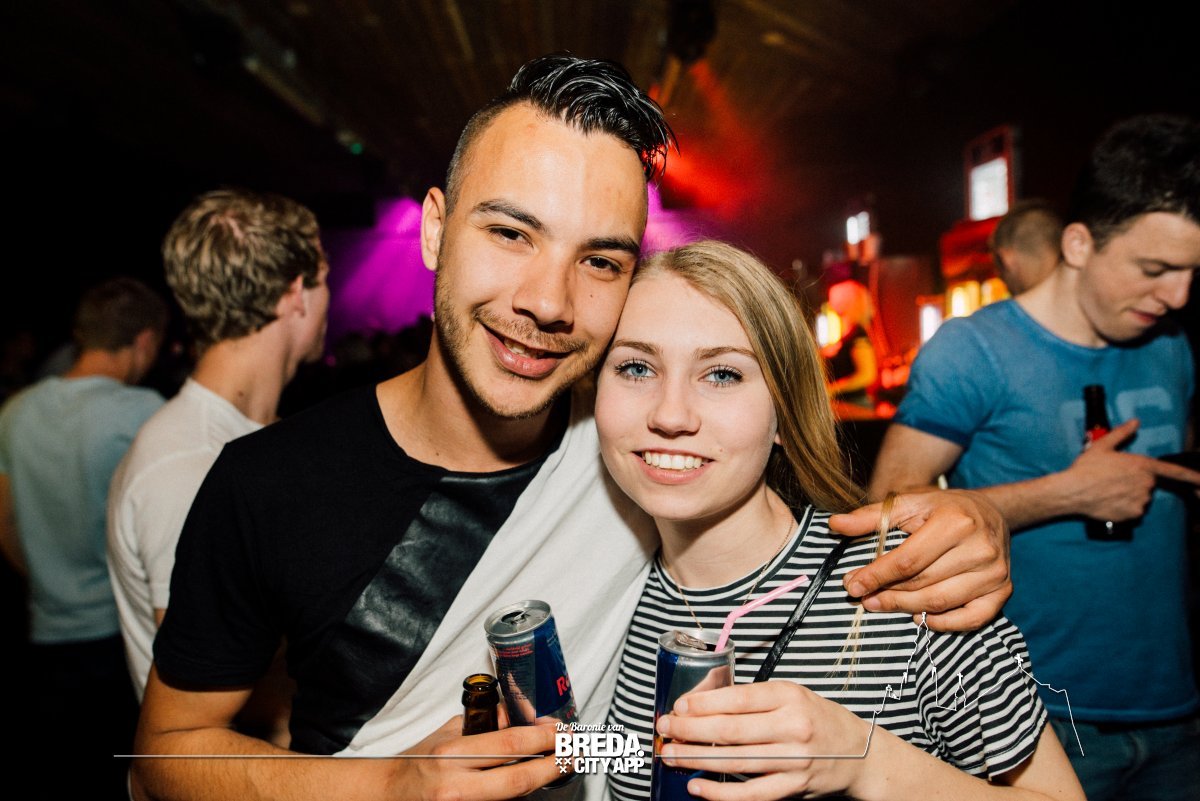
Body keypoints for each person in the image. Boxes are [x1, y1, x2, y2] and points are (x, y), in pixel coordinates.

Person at [135, 54, 1013, 801]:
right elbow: (159, 758)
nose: (548, 302)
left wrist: (976, 514)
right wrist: (388, 783)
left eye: (599, 259)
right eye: (511, 233)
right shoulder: (265, 482)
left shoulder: (643, 445)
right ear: (435, 230)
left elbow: (619, 738)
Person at [597, 240, 1083, 801]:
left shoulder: (909, 586)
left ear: (785, 412)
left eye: (723, 375)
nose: (670, 414)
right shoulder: (608, 591)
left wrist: (863, 761)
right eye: (636, 367)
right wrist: (551, 752)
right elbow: (630, 751)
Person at [869, 114, 1200, 801]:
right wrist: (1069, 492)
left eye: (1193, 272)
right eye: (1156, 270)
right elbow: (887, 509)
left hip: (1177, 712)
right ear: (1078, 243)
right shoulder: (975, 350)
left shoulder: (1170, 345)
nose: (1178, 296)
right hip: (1034, 721)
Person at [107, 189, 329, 741]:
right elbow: (218, 699)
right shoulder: (189, 466)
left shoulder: (250, 437)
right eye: (324, 278)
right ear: (295, 294)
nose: (331, 297)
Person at [0, 276, 166, 797]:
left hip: (45, 637)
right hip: (120, 639)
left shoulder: (15, 412)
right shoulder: (143, 412)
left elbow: (5, 527)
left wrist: (53, 581)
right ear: (143, 341)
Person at [822, 278, 879, 413]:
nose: (830, 301)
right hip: (847, 404)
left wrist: (832, 389)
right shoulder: (848, 333)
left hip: (854, 404)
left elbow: (868, 374)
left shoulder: (858, 335)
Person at [989, 200, 1063, 295]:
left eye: (999, 270)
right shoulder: (1079, 296)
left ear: (1007, 258)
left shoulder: (1007, 305)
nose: (1001, 279)